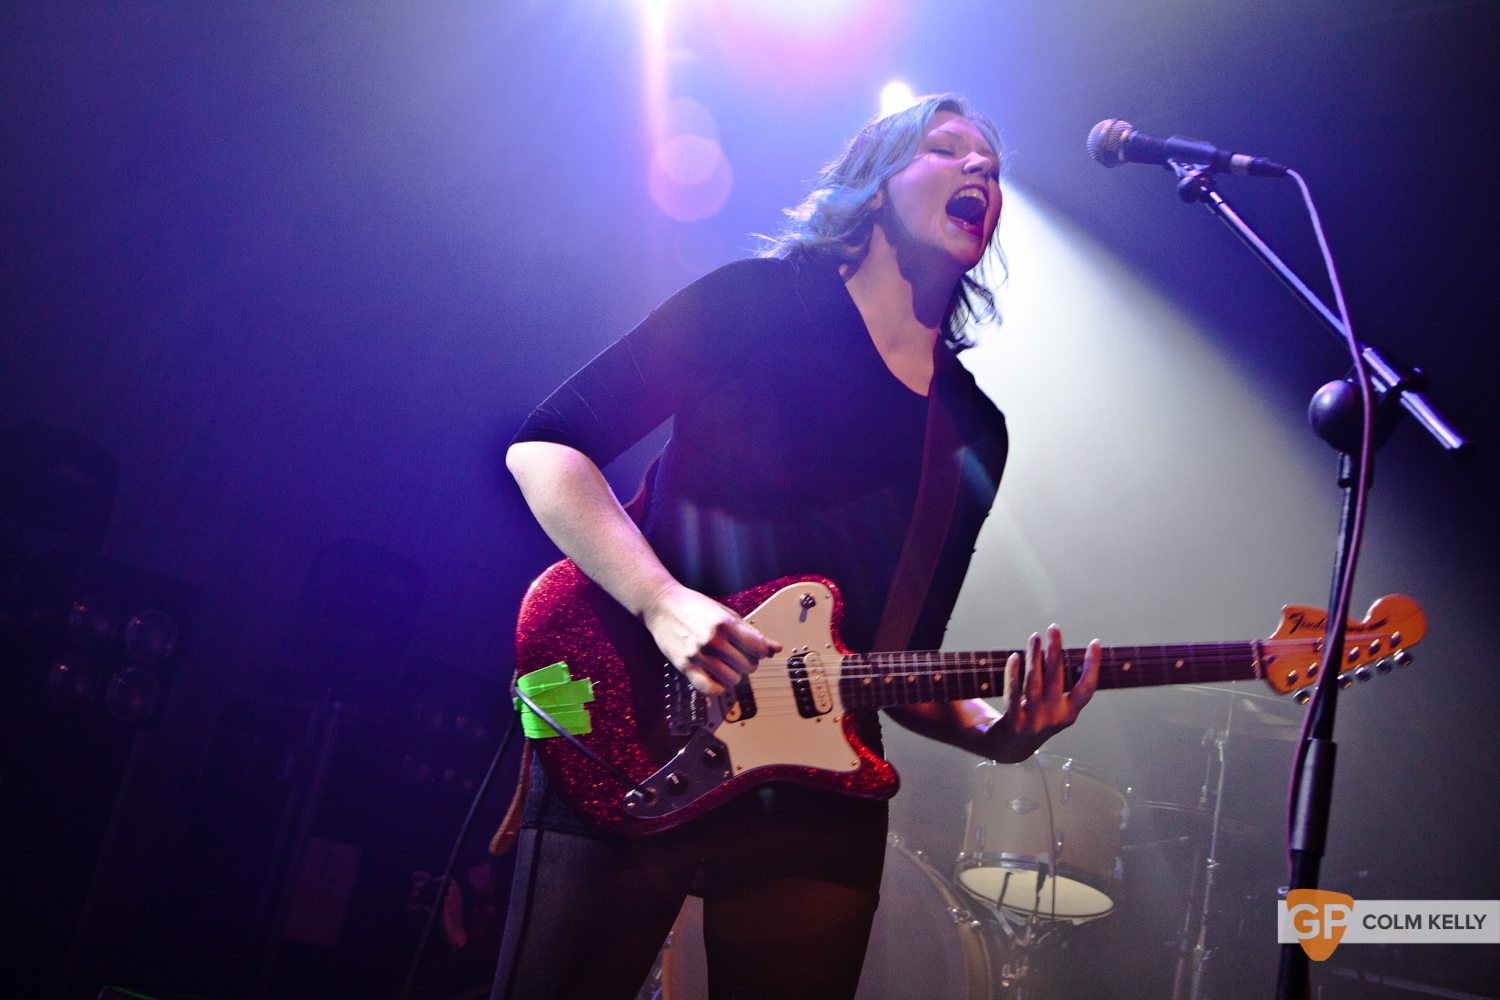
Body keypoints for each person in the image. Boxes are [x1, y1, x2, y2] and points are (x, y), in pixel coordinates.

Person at [492, 93, 1099, 1000]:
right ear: (873, 184)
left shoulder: (972, 430)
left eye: (995, 166)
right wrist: (664, 603)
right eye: (947, 149)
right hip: (632, 719)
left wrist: (1003, 734)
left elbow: (902, 661)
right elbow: (545, 445)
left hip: (818, 790)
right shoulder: (757, 303)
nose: (982, 171)